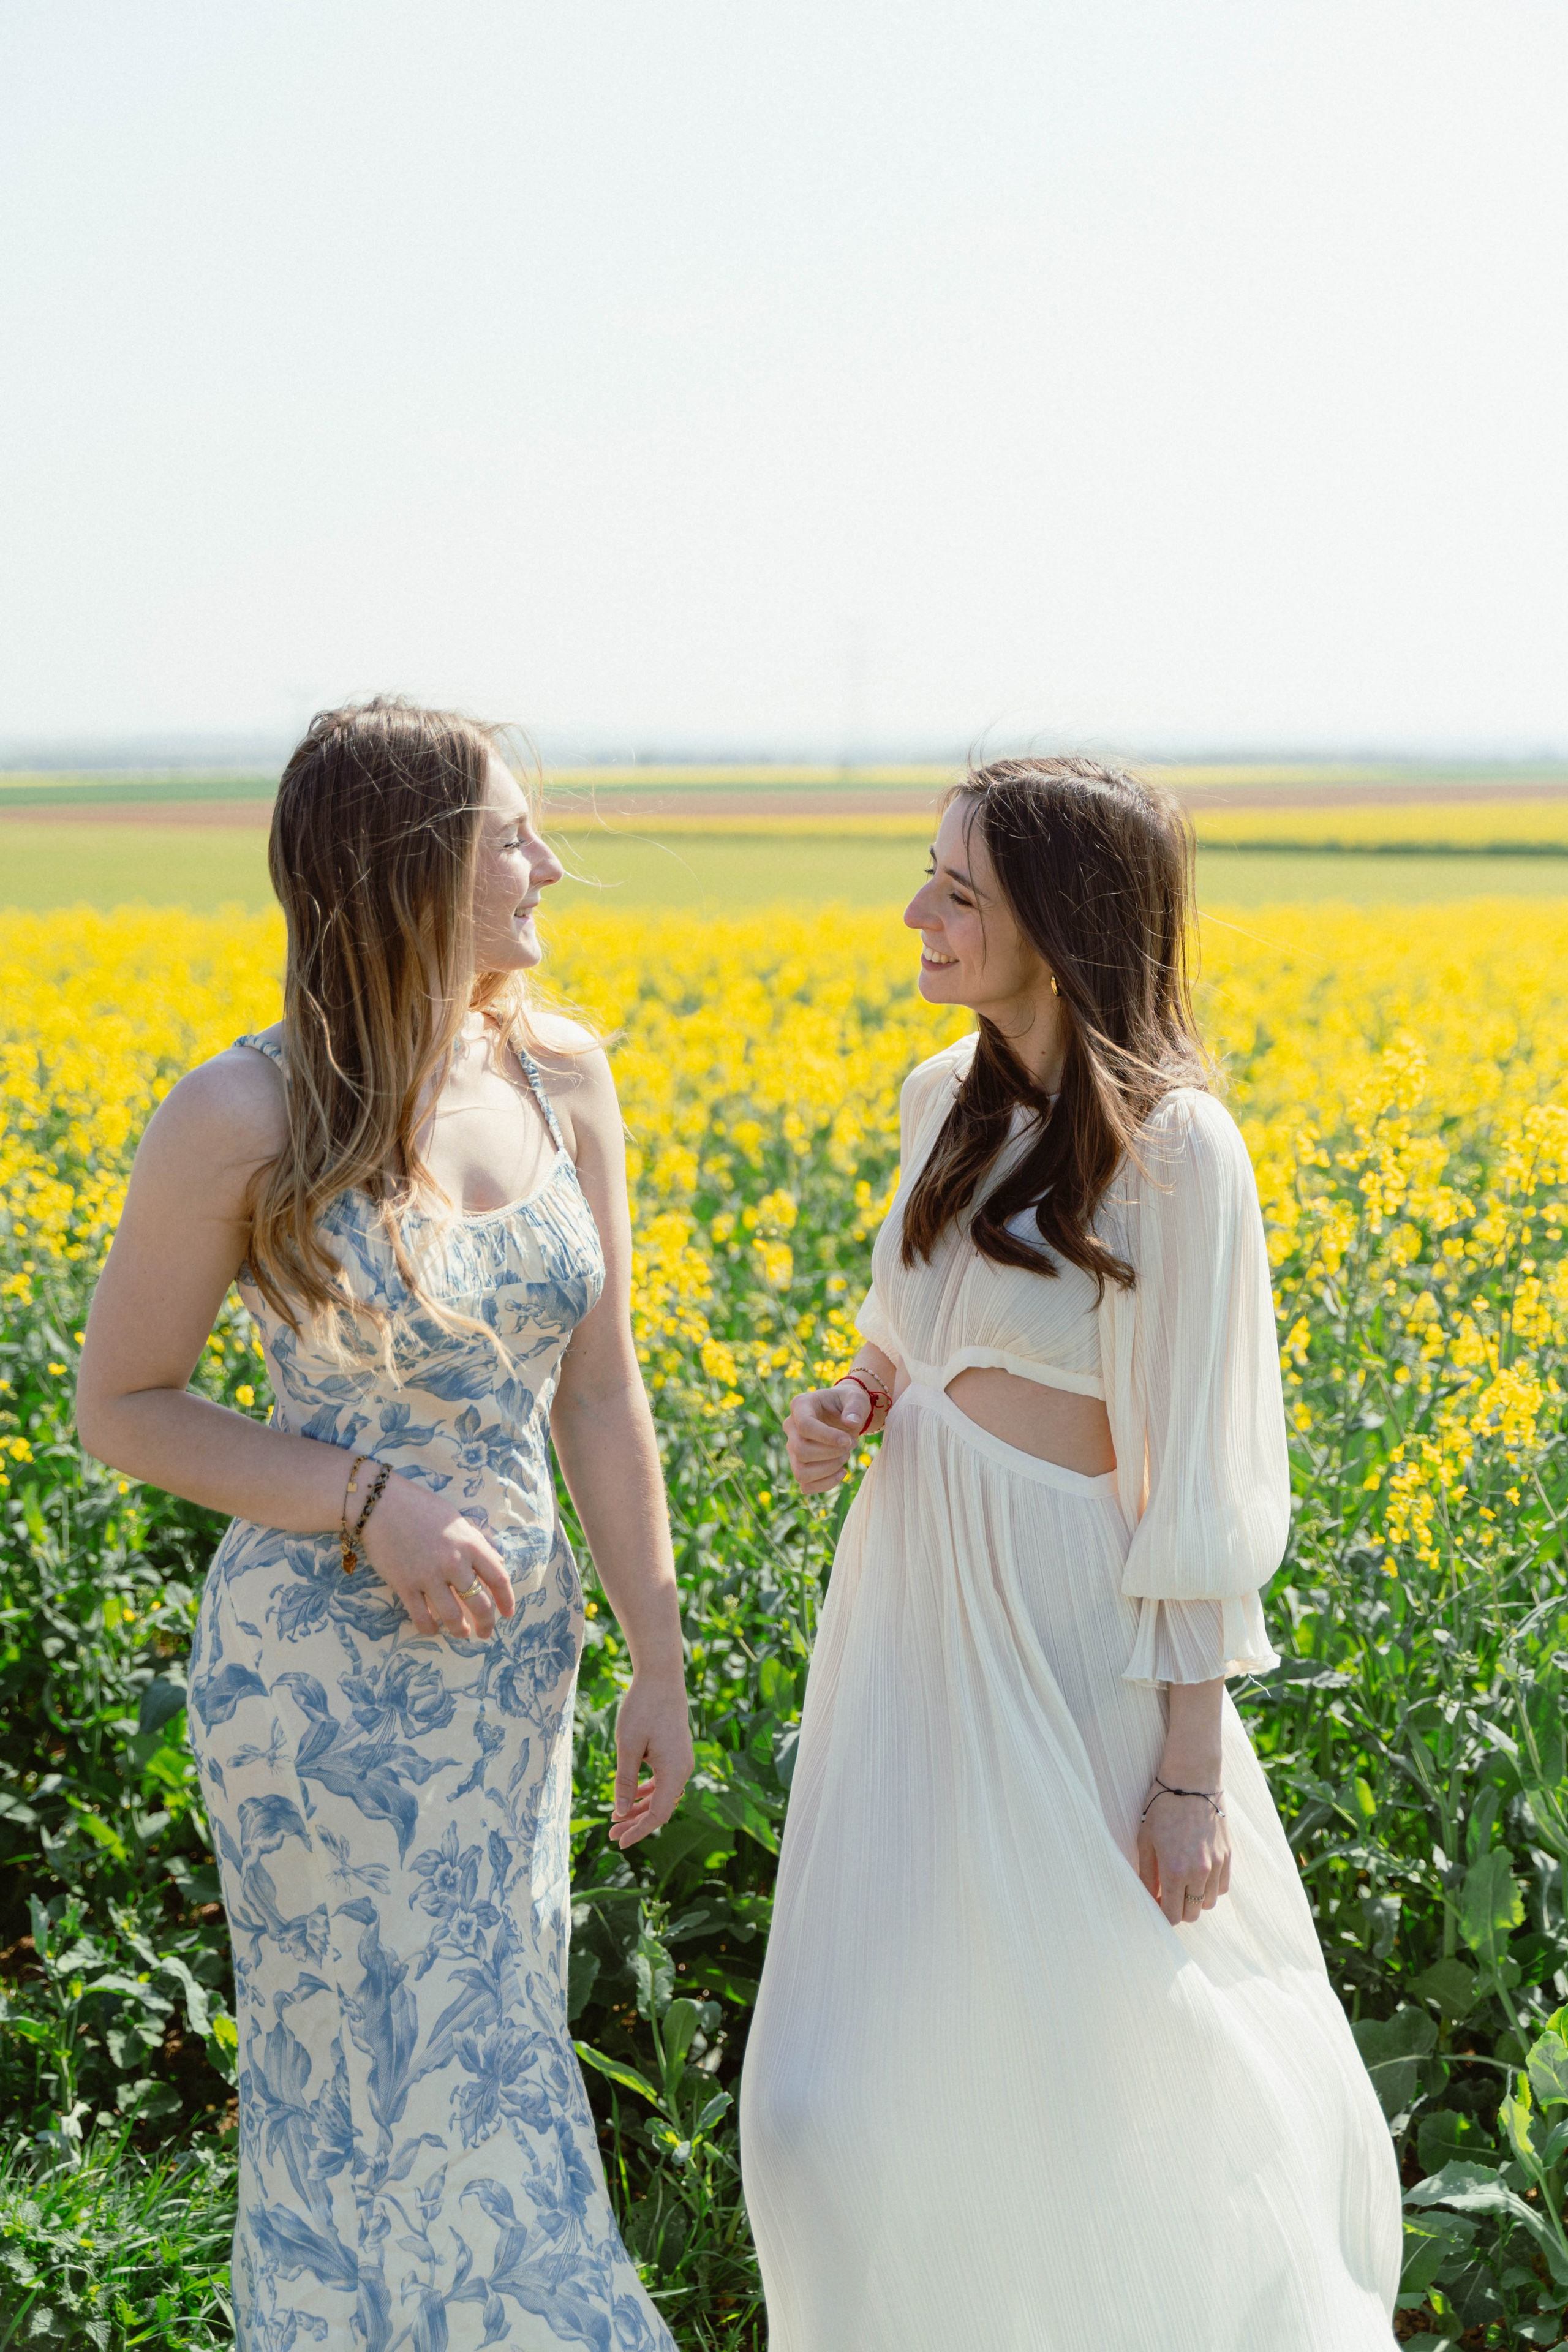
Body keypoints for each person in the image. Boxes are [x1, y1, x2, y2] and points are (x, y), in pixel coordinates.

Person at [740, 758, 1400, 2350]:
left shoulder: (1181, 1154)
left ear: (1065, 918)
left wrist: (1187, 1773)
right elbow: (910, 1342)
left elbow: (1209, 1489)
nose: (920, 914)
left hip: (1070, 1648)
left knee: (1129, 2069)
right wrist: (850, 1405)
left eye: (959, 890)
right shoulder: (934, 1102)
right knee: (842, 2097)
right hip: (905, 1620)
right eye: (931, 878)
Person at [77, 700, 692, 2352]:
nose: (547, 864)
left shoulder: (566, 1075)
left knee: (489, 2054)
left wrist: (658, 1650)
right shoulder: (242, 1112)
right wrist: (369, 1502)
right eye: (511, 835)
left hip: (509, 1683)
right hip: (315, 1692)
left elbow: (600, 1394)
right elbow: (121, 1402)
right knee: (368, 2089)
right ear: (405, 865)